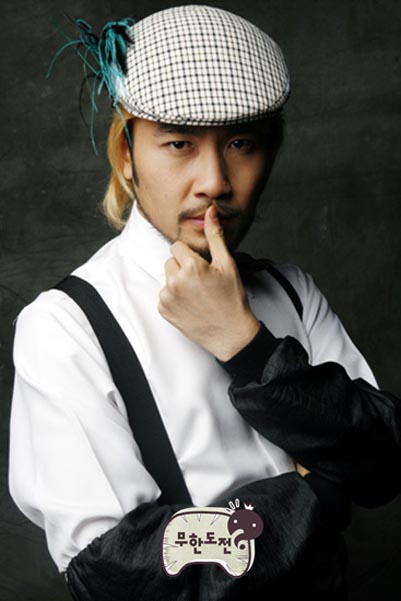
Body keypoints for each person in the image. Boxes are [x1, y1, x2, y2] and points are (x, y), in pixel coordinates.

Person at [8, 5, 401, 600]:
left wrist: (245, 346)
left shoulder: (293, 291)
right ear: (126, 155)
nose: (215, 180)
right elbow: (119, 571)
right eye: (179, 144)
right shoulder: (65, 326)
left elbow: (383, 462)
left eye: (242, 142)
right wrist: (317, 493)